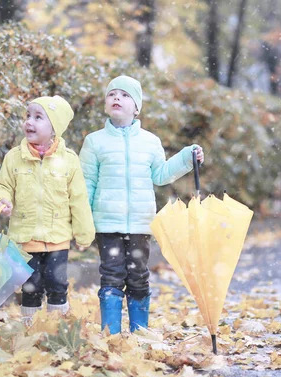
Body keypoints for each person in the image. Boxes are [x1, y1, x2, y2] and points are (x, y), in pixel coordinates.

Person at [79, 76, 204, 334]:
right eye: (112, 94)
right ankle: (110, 335)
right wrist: (84, 222)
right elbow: (86, 183)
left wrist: (186, 158)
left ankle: (140, 333)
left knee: (138, 277)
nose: (117, 98)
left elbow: (161, 175)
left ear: (136, 108)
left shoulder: (150, 142)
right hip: (107, 224)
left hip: (140, 224)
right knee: (111, 276)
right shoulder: (95, 141)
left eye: (125, 95)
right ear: (105, 103)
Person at [0, 95, 95, 326]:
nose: (30, 122)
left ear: (54, 128)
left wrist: (84, 234)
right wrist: (2, 201)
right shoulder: (15, 158)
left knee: (57, 284)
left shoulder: (69, 161)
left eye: (38, 117)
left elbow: (78, 199)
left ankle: (56, 327)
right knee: (31, 286)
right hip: (26, 239)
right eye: (28, 116)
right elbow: (2, 185)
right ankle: (31, 328)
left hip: (57, 238)